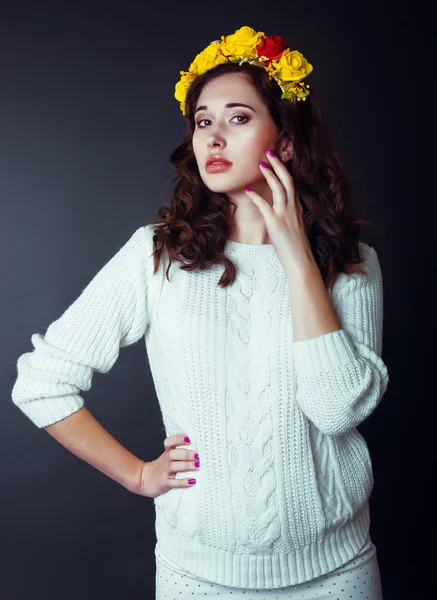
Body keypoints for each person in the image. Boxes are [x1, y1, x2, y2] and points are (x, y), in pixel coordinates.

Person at [11, 25, 388, 599]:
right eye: (203, 121)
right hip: (199, 577)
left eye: (238, 118)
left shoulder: (352, 265)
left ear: (285, 141)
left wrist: (297, 261)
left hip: (335, 571)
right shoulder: (158, 255)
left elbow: (338, 409)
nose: (213, 137)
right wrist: (138, 475)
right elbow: (40, 383)